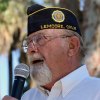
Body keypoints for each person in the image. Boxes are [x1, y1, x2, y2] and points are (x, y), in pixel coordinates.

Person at [3, 4, 100, 100]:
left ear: (72, 46)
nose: (30, 49)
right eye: (28, 43)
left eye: (40, 39)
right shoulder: (27, 97)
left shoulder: (97, 92)